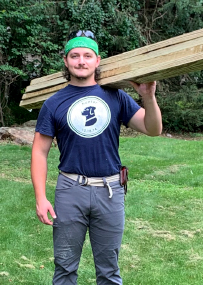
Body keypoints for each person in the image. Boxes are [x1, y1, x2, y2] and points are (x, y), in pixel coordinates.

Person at [31, 30, 162, 284]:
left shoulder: (115, 97)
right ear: (66, 62)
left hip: (110, 191)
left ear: (97, 60)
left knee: (109, 271)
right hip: (70, 190)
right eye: (75, 56)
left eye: (87, 56)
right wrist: (40, 197)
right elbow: (39, 151)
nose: (81, 61)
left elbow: (152, 129)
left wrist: (148, 96)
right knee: (65, 268)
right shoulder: (54, 103)